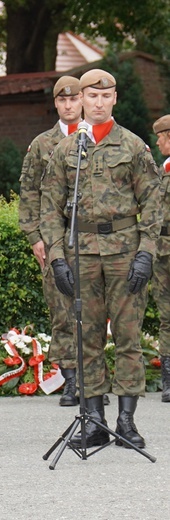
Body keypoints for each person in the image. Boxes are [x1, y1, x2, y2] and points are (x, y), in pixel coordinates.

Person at [41, 69, 161, 448]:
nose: (97, 103)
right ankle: (94, 421)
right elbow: (50, 207)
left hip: (125, 252)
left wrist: (147, 252)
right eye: (90, 96)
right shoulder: (65, 150)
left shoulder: (134, 147)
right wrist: (57, 257)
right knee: (86, 337)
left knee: (127, 337)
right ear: (81, 99)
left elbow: (154, 204)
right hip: (81, 253)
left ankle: (126, 422)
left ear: (114, 99)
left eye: (104, 96)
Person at [19, 76, 85, 407]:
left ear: (82, 101)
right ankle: (71, 381)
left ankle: (95, 380)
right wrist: (34, 237)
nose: (69, 105)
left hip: (95, 238)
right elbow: (29, 191)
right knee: (62, 310)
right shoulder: (42, 144)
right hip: (56, 237)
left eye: (74, 100)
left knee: (97, 309)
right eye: (63, 100)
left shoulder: (99, 138)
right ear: (56, 104)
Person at [151, 114, 170, 403]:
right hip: (163, 251)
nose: (156, 141)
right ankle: (169, 376)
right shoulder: (162, 170)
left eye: (160, 136)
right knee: (167, 315)